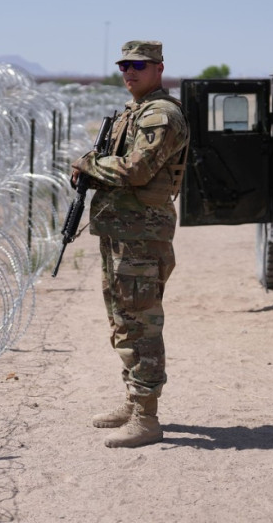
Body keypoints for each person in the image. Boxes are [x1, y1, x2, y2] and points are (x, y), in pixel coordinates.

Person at [71, 40, 189, 448]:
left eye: (139, 65)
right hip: (121, 231)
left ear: (159, 68)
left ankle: (146, 417)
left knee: (142, 323)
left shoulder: (161, 115)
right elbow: (119, 165)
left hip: (142, 234)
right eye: (124, 65)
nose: (130, 72)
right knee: (123, 321)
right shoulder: (134, 111)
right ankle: (133, 401)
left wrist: (89, 164)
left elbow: (137, 170)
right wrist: (93, 171)